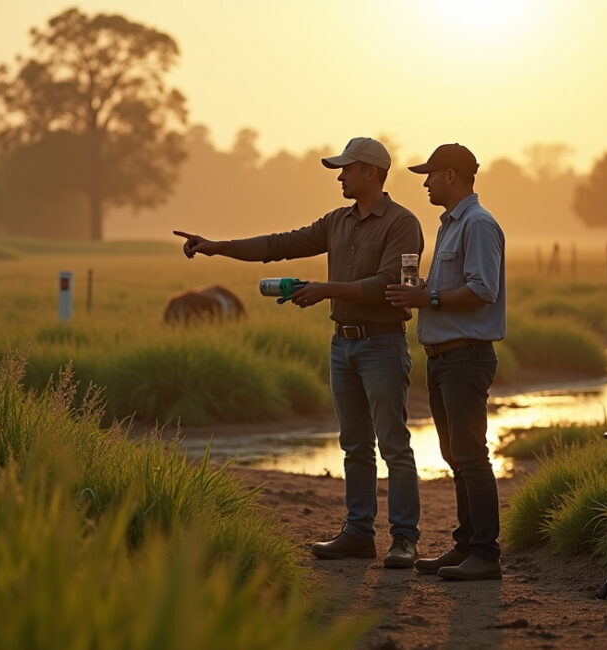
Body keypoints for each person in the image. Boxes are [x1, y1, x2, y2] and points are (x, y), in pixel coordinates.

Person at [173, 136, 424, 568]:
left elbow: (389, 284)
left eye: (346, 169)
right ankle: (359, 534)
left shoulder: (402, 223)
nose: (340, 176)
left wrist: (324, 289)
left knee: (394, 444)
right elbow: (279, 245)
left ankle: (404, 539)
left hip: (382, 344)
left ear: (372, 173)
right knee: (354, 445)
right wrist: (217, 247)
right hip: (341, 344)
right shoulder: (337, 221)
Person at [385, 143, 506, 581]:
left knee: (471, 456)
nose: (425, 182)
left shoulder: (478, 224)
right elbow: (456, 288)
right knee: (456, 455)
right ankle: (465, 546)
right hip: (444, 357)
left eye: (430, 174)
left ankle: (485, 555)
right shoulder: (452, 225)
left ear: (451, 176)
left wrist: (427, 297)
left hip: (466, 356)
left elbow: (483, 289)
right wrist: (425, 289)